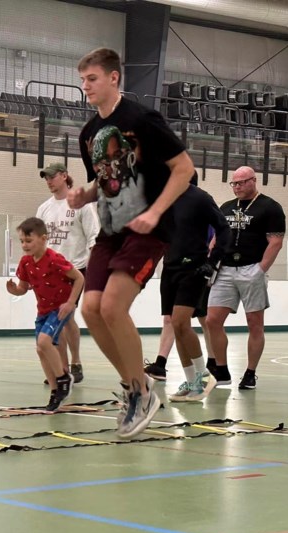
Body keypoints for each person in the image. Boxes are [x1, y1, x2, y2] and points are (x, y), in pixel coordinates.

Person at [67, 48, 195, 438]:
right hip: (109, 230)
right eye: (82, 79)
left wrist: (155, 212)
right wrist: (84, 196)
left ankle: (141, 390)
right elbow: (105, 180)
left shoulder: (142, 120)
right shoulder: (89, 133)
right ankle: (135, 386)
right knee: (89, 309)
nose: (85, 86)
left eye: (91, 78)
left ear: (113, 78)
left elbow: (185, 169)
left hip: (146, 230)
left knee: (112, 306)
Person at [206, 166, 286, 390]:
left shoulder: (270, 207)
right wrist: (211, 260)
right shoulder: (226, 207)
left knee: (254, 324)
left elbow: (276, 242)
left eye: (241, 183)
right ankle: (221, 369)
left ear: (253, 181)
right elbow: (218, 238)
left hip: (252, 269)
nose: (237, 187)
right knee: (212, 320)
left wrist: (260, 269)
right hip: (226, 269)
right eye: (234, 183)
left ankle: (250, 373)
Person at [155, 180, 230, 402]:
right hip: (170, 268)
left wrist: (213, 261)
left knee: (181, 322)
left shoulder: (200, 198)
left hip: (194, 268)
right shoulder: (164, 198)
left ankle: (204, 376)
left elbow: (224, 229)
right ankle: (191, 381)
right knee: (175, 326)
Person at [7, 218, 85, 413]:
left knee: (44, 341)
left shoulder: (54, 259)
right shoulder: (25, 263)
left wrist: (70, 303)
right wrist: (14, 290)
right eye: (22, 241)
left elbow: (79, 278)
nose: (24, 245)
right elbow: (23, 288)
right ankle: (55, 391)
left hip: (59, 309)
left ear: (43, 239)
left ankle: (63, 378)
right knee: (41, 350)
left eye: (29, 241)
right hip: (42, 311)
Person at [36, 162, 100, 384]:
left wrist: (92, 267)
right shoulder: (44, 208)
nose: (49, 181)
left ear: (64, 176)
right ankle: (63, 366)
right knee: (59, 317)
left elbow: (94, 236)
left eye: (52, 176)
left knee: (66, 316)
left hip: (75, 268)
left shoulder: (81, 205)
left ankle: (75, 361)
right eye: (46, 178)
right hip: (51, 271)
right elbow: (39, 241)